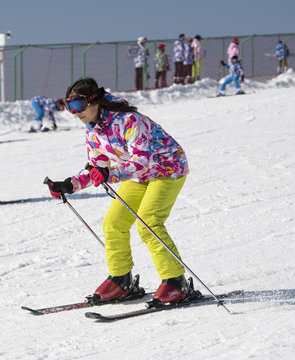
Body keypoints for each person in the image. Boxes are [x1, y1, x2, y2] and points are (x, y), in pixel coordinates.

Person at [46, 77, 190, 304]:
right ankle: (122, 281)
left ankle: (175, 282)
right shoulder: (92, 130)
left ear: (94, 101)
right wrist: (70, 184)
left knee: (149, 222)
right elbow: (97, 168)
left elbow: (140, 161)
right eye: (68, 106)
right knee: (113, 223)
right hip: (136, 177)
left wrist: (109, 174)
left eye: (78, 105)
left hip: (166, 169)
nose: (74, 113)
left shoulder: (130, 120)